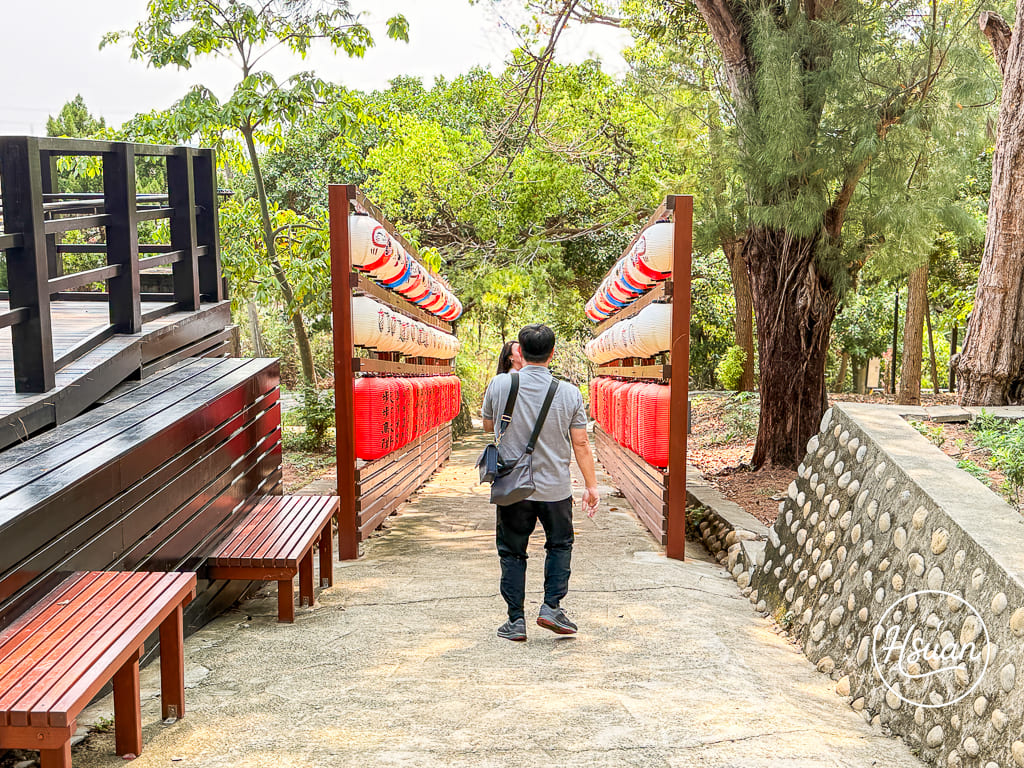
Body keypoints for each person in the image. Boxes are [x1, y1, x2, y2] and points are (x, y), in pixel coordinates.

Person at [481, 323, 600, 641]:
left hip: (512, 487)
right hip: (555, 488)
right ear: (553, 353)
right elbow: (581, 443)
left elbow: (488, 426)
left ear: (519, 351)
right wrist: (591, 486)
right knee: (559, 545)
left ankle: (515, 621)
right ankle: (551, 607)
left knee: (512, 551)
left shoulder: (500, 384)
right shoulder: (570, 393)